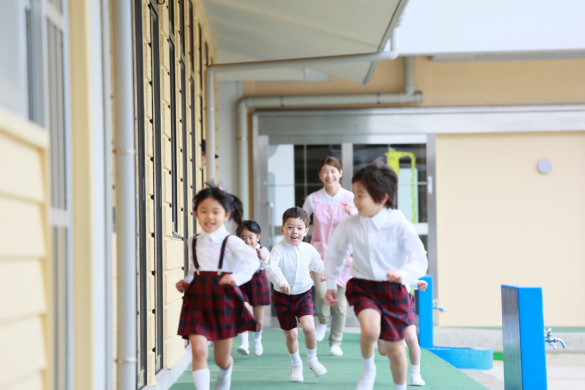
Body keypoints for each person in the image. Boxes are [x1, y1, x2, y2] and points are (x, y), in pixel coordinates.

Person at [324, 162, 428, 390]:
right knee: (370, 330)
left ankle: (400, 385)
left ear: (382, 197)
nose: (355, 201)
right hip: (363, 286)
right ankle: (368, 369)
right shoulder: (350, 224)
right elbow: (335, 253)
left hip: (393, 289)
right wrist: (331, 283)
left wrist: (403, 274)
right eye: (355, 194)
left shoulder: (398, 223)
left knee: (394, 351)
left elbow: (419, 259)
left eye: (360, 195)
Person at [176, 184, 259, 390]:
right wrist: (187, 280)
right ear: (195, 213)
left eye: (215, 212)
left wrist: (236, 278)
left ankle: (225, 373)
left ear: (226, 214)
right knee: (199, 350)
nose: (209, 217)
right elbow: (196, 268)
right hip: (197, 297)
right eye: (203, 211)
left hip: (224, 298)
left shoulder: (231, 241)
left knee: (222, 359)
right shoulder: (193, 241)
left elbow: (252, 262)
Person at [302, 156, 356, 356]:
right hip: (319, 256)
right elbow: (301, 222)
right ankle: (323, 321)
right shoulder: (313, 199)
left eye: (333, 171)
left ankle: (336, 342)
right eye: (325, 171)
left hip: (344, 258)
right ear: (319, 175)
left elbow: (361, 224)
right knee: (323, 295)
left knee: (341, 306)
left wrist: (352, 213)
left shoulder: (350, 198)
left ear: (340, 173)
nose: (329, 175)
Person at [266, 207, 328, 382]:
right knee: (291, 334)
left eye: (299, 228)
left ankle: (312, 359)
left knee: (309, 328)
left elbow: (317, 262)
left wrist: (322, 270)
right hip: (282, 297)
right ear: (282, 229)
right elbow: (272, 268)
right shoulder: (277, 250)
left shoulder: (308, 249)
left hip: (303, 295)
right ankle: (296, 365)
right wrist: (282, 282)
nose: (295, 232)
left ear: (306, 231)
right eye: (290, 227)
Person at [378, 279, 429, 386]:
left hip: (404, 299)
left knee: (412, 338)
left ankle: (416, 375)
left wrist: (417, 283)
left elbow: (407, 275)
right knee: (382, 351)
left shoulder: (403, 262)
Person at [235, 220, 271, 356]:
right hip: (242, 283)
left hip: (258, 282)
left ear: (258, 237)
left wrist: (262, 258)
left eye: (250, 237)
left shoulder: (263, 251)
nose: (247, 241)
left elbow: (268, 265)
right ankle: (244, 343)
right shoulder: (237, 251)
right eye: (243, 238)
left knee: (258, 320)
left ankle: (257, 339)